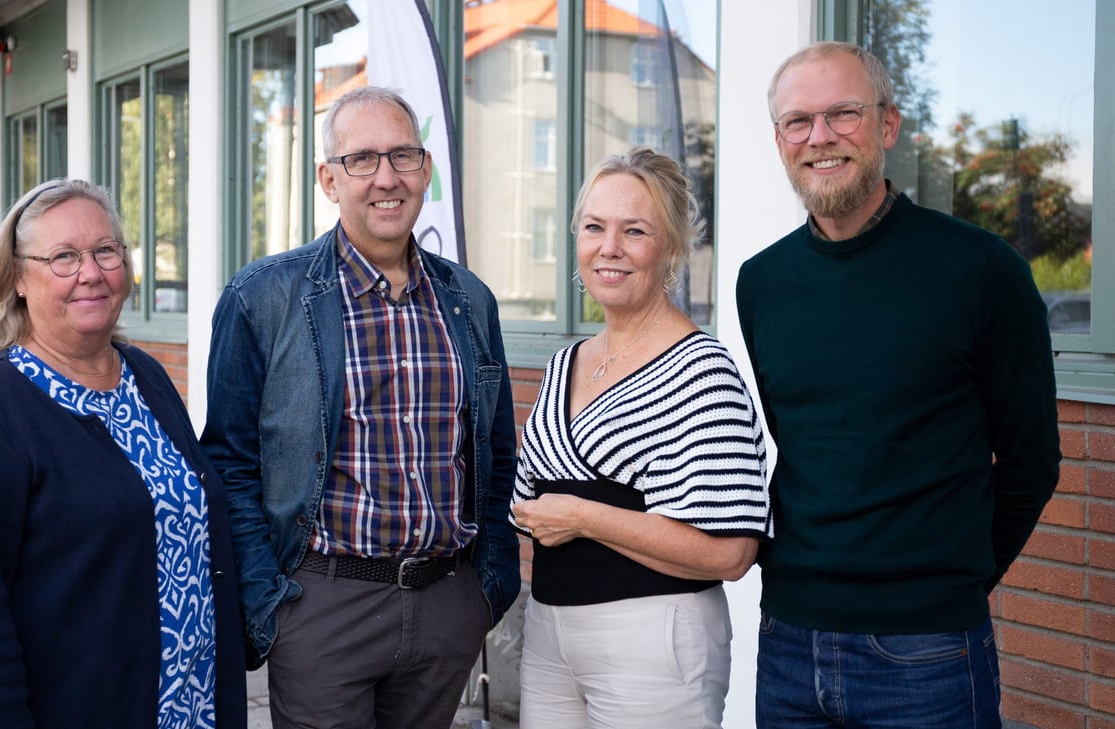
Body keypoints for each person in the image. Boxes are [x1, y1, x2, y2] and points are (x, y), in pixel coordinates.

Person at [737, 41, 1061, 728]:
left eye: (843, 114)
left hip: (928, 657)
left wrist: (952, 586)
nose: (820, 137)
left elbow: (1032, 463)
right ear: (779, 140)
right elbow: (803, 444)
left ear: (887, 125)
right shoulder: (761, 283)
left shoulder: (980, 271)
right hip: (789, 643)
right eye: (799, 121)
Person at [200, 85, 520, 729]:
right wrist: (272, 605)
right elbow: (229, 463)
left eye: (403, 156)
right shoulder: (262, 298)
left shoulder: (469, 301)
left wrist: (485, 589)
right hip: (321, 605)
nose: (386, 178)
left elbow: (494, 455)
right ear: (328, 178)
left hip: (444, 603)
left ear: (425, 169)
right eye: (362, 159)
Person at [0, 179, 247, 728]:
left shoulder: (146, 378)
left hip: (187, 707)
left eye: (105, 251)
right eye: (63, 257)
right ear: (18, 278)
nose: (90, 273)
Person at [510, 148, 771, 729]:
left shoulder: (700, 370)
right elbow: (529, 501)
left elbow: (731, 552)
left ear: (672, 246)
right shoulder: (564, 363)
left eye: (635, 231)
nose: (610, 247)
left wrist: (584, 516)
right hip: (549, 632)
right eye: (595, 228)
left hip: (654, 638)